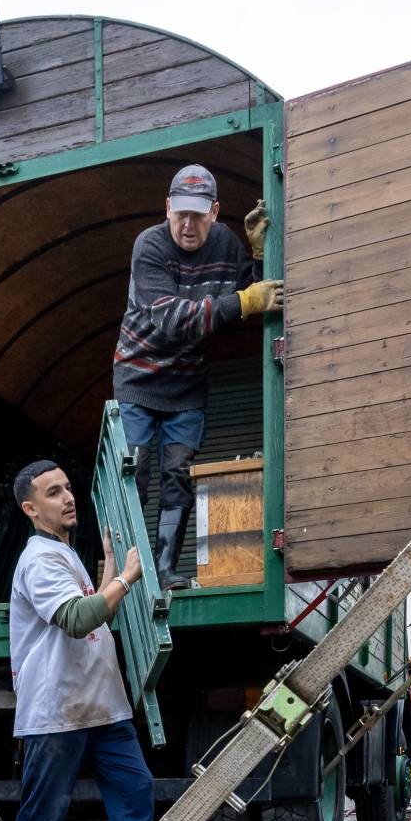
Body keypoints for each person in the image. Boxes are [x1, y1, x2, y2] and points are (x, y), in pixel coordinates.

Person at [0, 459, 184, 821]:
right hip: (57, 710)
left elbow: (94, 607)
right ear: (30, 508)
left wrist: (108, 571)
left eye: (67, 488)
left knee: (135, 792)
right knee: (44, 813)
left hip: (102, 705)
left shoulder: (65, 554)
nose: (67, 497)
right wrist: (126, 578)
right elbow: (78, 619)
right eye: (53, 492)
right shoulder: (38, 560)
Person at [112, 162, 283, 591]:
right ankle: (128, 574)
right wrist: (244, 301)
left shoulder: (225, 244)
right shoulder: (149, 247)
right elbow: (174, 320)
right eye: (181, 214)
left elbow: (256, 291)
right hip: (138, 377)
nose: (188, 225)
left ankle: (165, 570)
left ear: (215, 212)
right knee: (136, 472)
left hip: (187, 385)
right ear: (168, 208)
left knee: (178, 473)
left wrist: (259, 254)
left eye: (198, 215)